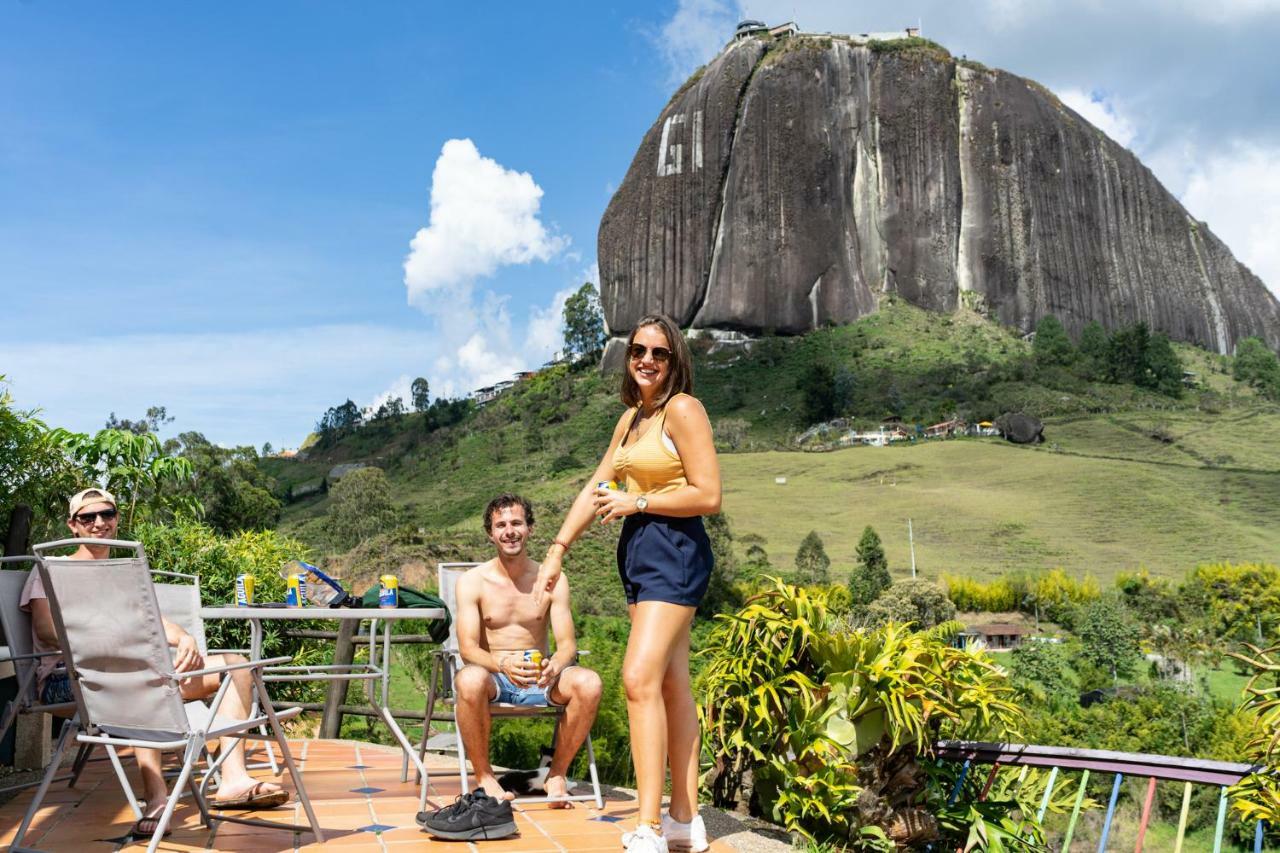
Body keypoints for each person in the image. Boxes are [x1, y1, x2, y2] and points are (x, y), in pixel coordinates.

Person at [536, 314, 721, 853]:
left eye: (659, 353)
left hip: (675, 549)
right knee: (670, 684)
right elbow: (597, 487)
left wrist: (637, 500)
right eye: (638, 349)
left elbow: (708, 494)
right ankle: (685, 818)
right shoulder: (631, 419)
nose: (646, 359)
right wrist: (557, 548)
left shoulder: (682, 410)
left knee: (638, 679)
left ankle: (650, 825)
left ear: (674, 360)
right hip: (639, 554)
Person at [20, 488, 288, 837]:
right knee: (143, 676)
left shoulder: (121, 572)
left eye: (107, 514)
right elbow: (46, 629)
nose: (99, 523)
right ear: (73, 525)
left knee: (235, 665)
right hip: (68, 680)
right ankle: (156, 796)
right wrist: (120, 646)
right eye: (88, 517)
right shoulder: (52, 569)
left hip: (138, 672)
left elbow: (154, 622)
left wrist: (184, 639)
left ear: (116, 519)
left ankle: (233, 780)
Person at [419, 493, 603, 840]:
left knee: (589, 682)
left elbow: (567, 646)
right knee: (469, 679)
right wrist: (501, 663)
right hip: (495, 678)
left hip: (541, 678)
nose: (509, 531)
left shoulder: (552, 579)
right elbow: (469, 648)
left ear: (529, 528)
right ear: (490, 533)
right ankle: (485, 778)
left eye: (516, 523)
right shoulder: (472, 581)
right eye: (501, 525)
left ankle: (557, 774)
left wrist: (556, 664)